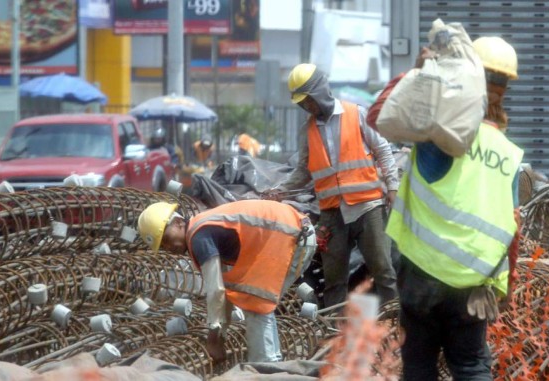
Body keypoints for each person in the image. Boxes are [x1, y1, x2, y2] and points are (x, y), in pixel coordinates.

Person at [369, 37, 522, 380]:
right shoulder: (507, 153)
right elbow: (512, 225)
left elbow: (379, 115)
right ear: (505, 89)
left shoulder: (439, 136)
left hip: (422, 274)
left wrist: (420, 71)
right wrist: (507, 286)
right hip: (473, 281)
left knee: (420, 367)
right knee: (471, 367)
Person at [276, 63, 399, 308]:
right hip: (332, 213)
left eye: (308, 100)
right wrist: (281, 191)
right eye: (302, 103)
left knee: (383, 270)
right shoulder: (308, 130)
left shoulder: (357, 114)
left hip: (367, 207)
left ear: (319, 91)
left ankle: (395, 326)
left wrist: (392, 187)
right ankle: (335, 333)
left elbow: (383, 150)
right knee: (334, 279)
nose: (306, 106)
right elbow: (303, 171)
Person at [137, 200, 317, 363]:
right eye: (163, 247)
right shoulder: (205, 228)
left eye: (167, 239)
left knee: (255, 302)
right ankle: (272, 363)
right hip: (293, 234)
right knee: (256, 303)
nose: (170, 248)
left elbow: (215, 291)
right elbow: (225, 289)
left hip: (291, 238)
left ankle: (266, 368)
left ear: (178, 223)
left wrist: (213, 336)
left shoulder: (198, 237)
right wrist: (221, 334)